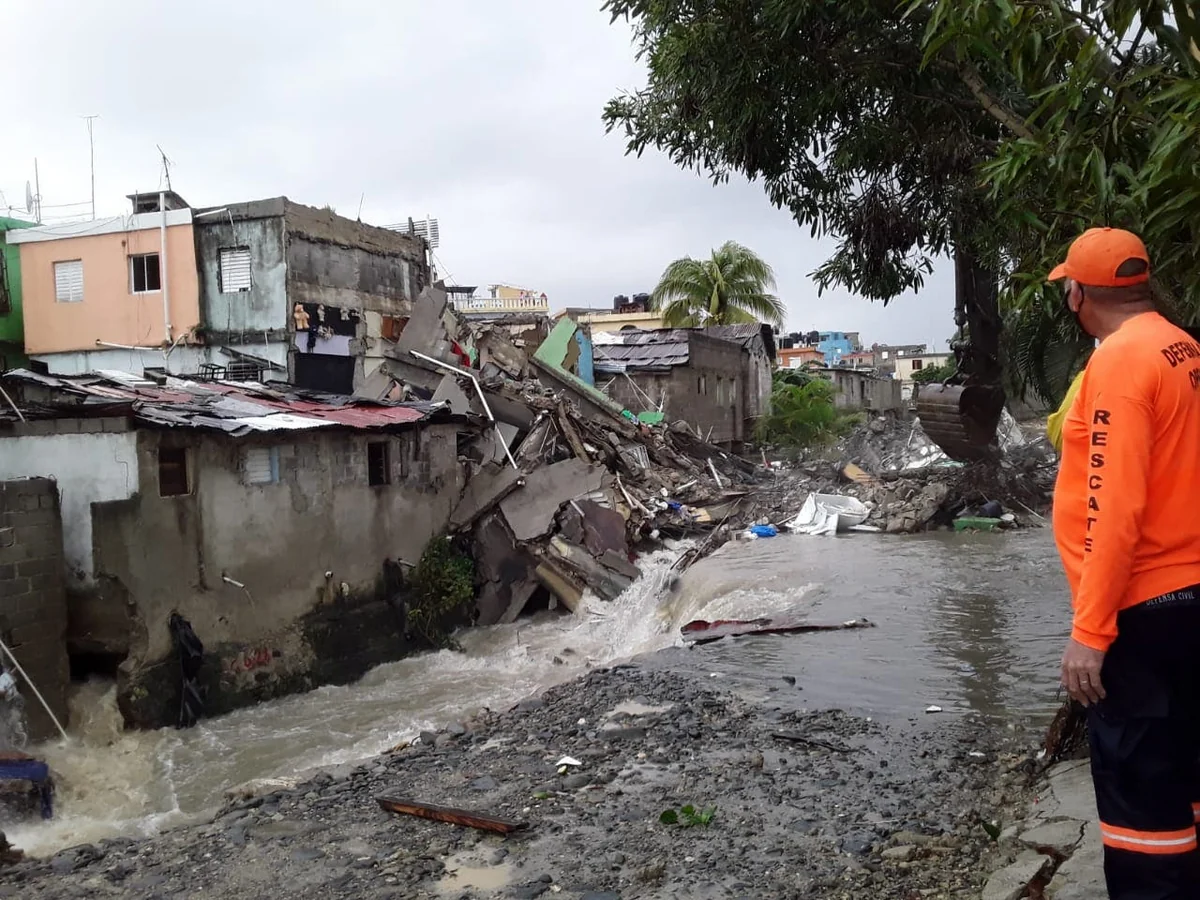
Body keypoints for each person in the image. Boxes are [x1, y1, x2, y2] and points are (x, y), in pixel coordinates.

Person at [1050, 227, 1200, 899]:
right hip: (1192, 598)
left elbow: (1114, 510)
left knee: (1144, 810)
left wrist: (1092, 631)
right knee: (1187, 780)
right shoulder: (1184, 348)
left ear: (1080, 293)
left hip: (1145, 615)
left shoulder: (1119, 363)